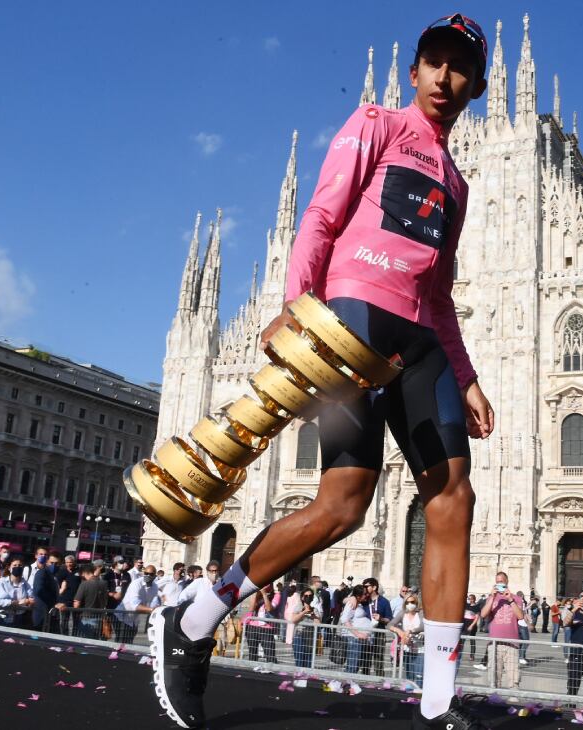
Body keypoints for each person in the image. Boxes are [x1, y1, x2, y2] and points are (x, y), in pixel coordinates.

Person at [149, 13, 494, 729]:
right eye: (433, 60)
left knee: (452, 498)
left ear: (476, 85)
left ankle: (436, 702)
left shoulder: (456, 185)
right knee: (342, 506)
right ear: (414, 70)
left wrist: (465, 374)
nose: (444, 76)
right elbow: (322, 216)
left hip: (421, 342)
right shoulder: (375, 124)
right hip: (348, 329)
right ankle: (194, 618)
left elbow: (440, 292)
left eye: (458, 67)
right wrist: (295, 308)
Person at [479, 571, 524, 689]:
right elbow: (483, 614)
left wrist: (510, 600)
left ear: (506, 582)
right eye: (497, 582)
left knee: (514, 677)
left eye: (501, 582)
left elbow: (520, 616)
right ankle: (494, 701)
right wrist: (492, 597)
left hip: (512, 643)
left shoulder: (517, 598)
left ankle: (514, 699)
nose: (499, 584)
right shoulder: (491, 598)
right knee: (494, 678)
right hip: (494, 643)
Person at [117, 564, 161, 643]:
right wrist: (151, 609)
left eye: (151, 574)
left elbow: (154, 602)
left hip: (134, 618)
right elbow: (135, 605)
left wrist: (156, 607)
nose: (148, 575)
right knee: (121, 643)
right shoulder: (136, 584)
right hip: (122, 616)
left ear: (155, 576)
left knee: (129, 642)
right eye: (146, 573)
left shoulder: (155, 587)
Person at [392, 592, 426, 685]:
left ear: (416, 602)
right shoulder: (402, 613)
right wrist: (399, 632)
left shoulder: (421, 613)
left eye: (412, 602)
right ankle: (409, 696)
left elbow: (422, 626)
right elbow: (389, 625)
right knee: (409, 676)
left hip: (420, 649)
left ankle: (419, 696)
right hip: (407, 648)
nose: (409, 604)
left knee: (419, 676)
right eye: (407, 602)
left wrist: (411, 631)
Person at [0, 556, 34, 627]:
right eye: (15, 565)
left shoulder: (25, 584)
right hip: (1, 617)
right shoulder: (2, 582)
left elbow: (32, 599)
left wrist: (29, 601)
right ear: (9, 568)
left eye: (20, 565)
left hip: (18, 618)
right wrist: (14, 603)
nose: (17, 567)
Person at [285, 585, 320, 668]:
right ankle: (298, 679)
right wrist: (304, 612)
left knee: (308, 661)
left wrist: (313, 616)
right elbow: (293, 620)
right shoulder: (298, 607)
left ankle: (306, 679)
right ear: (302, 597)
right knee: (299, 661)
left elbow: (318, 623)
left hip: (310, 637)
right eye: (306, 596)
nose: (308, 597)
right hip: (299, 635)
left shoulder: (315, 609)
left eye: (310, 596)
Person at [72, 564, 108, 640]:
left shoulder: (84, 584)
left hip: (86, 617)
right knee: (95, 642)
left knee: (85, 642)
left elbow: (76, 604)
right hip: (100, 617)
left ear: (85, 573)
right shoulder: (104, 583)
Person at [31, 551, 64, 632]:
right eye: (51, 563)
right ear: (47, 562)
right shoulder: (42, 573)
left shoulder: (54, 577)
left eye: (57, 563)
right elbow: (39, 590)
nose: (54, 566)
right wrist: (54, 603)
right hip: (41, 615)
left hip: (49, 616)